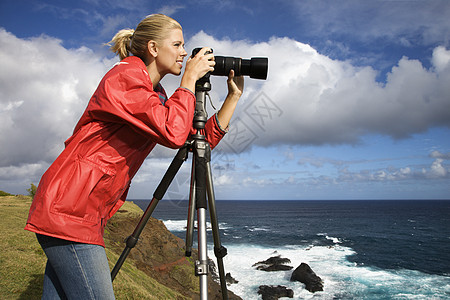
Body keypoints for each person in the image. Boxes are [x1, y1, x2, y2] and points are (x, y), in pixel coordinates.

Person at [25, 14, 244, 299]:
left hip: (81, 208)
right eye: (177, 45)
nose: (183, 53)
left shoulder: (156, 95)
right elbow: (172, 132)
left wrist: (233, 97)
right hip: (70, 208)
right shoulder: (125, 77)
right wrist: (189, 81)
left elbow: (194, 139)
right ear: (153, 48)